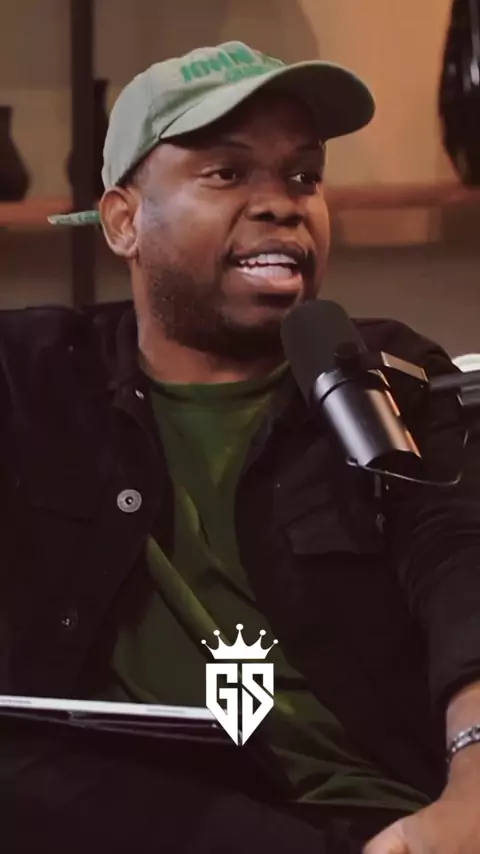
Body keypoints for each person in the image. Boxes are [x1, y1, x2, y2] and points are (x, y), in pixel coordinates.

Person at [1, 40, 480, 854]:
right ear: (124, 221)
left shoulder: (386, 374)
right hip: (134, 814)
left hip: (384, 824)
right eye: (226, 173)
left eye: (303, 176)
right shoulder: (33, 379)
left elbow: (458, 558)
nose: (282, 205)